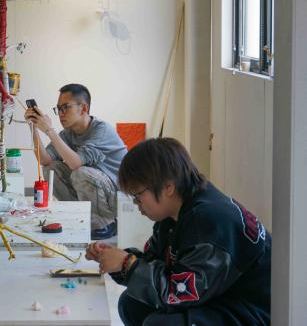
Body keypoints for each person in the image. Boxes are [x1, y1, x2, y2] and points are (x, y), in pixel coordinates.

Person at [86, 138, 271, 326]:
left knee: (160, 324)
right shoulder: (174, 215)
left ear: (168, 187)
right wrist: (120, 261)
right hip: (219, 295)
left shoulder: (209, 222)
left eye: (138, 195)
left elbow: (181, 292)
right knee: (131, 304)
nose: (136, 203)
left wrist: (127, 264)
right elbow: (155, 262)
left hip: (251, 310)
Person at [25, 83, 127, 239]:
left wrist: (49, 131)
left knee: (80, 173)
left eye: (65, 107)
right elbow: (45, 160)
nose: (61, 113)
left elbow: (75, 163)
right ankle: (81, 215)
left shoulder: (101, 130)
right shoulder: (68, 133)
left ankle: (106, 223)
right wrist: (33, 127)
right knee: (51, 168)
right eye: (59, 108)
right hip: (98, 193)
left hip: (118, 200)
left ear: (84, 108)